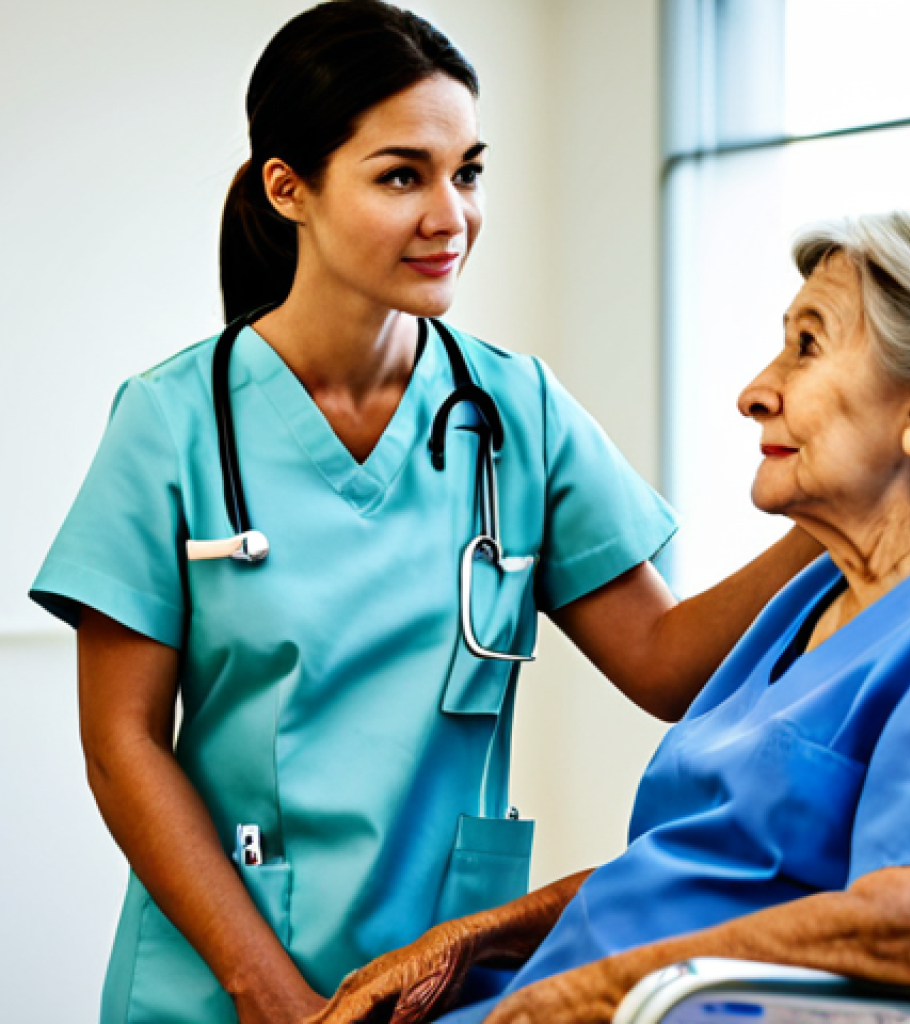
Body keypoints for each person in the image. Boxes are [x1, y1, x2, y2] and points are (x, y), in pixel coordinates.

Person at [28, 3, 819, 1023]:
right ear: (288, 188)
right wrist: (271, 996)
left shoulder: (518, 411)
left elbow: (666, 662)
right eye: (403, 174)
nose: (451, 214)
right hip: (216, 990)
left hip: (441, 987)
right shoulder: (173, 420)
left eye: (468, 171)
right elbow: (122, 741)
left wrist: (840, 511)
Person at [313, 208, 910, 1024]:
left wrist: (591, 991)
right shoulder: (816, 594)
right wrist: (478, 935)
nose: (756, 392)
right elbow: (699, 871)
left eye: (808, 346)